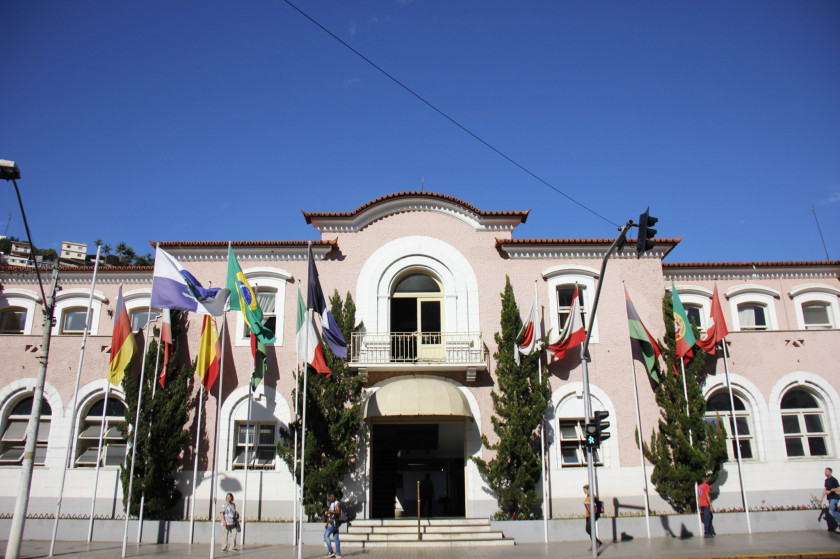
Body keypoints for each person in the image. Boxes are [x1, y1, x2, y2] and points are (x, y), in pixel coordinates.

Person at [820, 467, 840, 532]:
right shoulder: (826, 480)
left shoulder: (834, 480)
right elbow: (825, 490)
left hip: (835, 497)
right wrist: (821, 498)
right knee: (835, 511)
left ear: (830, 472)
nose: (825, 473)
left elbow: (839, 488)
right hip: (830, 498)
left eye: (826, 471)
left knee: (831, 510)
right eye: (825, 471)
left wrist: (832, 490)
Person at [583, 484, 602, 549]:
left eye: (584, 490)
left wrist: (589, 503)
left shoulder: (593, 496)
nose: (584, 491)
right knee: (588, 529)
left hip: (592, 515)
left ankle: (596, 543)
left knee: (589, 529)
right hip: (588, 515)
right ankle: (596, 542)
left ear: (588, 490)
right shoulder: (588, 496)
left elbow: (595, 504)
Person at [323, 493, 342, 559]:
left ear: (335, 497)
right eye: (330, 496)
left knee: (326, 536)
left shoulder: (336, 503)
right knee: (336, 538)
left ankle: (331, 551)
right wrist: (327, 523)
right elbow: (330, 516)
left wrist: (331, 512)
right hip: (332, 523)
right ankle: (338, 554)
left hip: (333, 523)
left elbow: (339, 512)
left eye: (332, 496)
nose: (331, 498)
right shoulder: (332, 504)